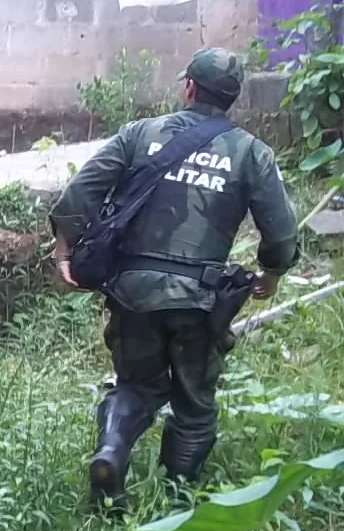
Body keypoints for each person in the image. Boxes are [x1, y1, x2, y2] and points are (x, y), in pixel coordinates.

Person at [49, 47, 300, 506]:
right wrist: (272, 275)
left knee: (135, 385)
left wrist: (65, 250)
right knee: (194, 402)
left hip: (133, 293)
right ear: (232, 98)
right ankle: (176, 501)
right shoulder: (251, 154)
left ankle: (111, 451)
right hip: (199, 302)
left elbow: (80, 192)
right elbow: (281, 238)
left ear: (189, 87)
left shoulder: (141, 134)